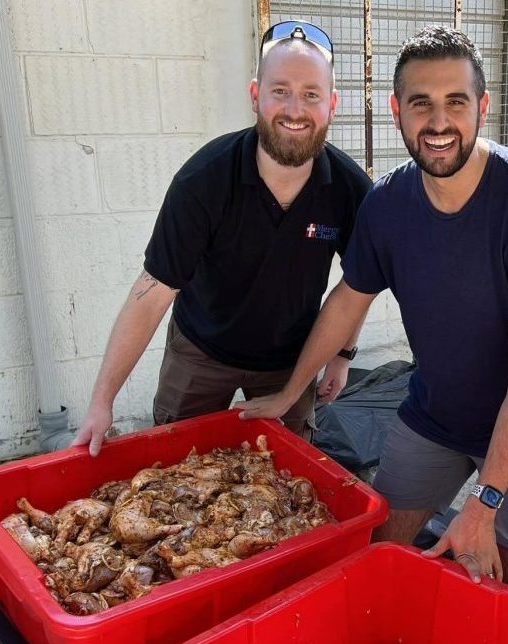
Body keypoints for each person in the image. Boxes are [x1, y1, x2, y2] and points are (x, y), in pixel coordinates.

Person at [238, 26, 508, 597]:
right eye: (421, 103)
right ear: (397, 110)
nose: (439, 121)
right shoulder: (388, 204)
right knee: (381, 548)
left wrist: (485, 500)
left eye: (456, 102)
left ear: (483, 108)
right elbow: (347, 301)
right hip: (437, 413)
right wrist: (288, 391)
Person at [71, 21, 371, 455]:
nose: (294, 109)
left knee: (288, 480)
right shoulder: (203, 180)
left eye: (311, 94)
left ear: (332, 105)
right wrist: (102, 402)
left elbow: (356, 287)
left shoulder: (351, 191)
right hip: (201, 350)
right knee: (176, 470)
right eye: (280, 91)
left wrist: (343, 356)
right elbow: (153, 291)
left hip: (290, 360)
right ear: (255, 96)